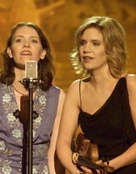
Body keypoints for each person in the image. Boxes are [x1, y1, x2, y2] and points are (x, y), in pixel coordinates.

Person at [0, 22, 65, 174]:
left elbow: (53, 153)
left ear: (43, 53)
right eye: (19, 40)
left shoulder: (58, 97)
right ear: (9, 51)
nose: (26, 44)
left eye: (33, 41)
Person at [56, 16, 136, 174]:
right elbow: (63, 143)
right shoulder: (77, 89)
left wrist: (108, 166)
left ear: (112, 48)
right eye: (83, 43)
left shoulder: (130, 86)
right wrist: (75, 171)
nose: (86, 49)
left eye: (95, 43)